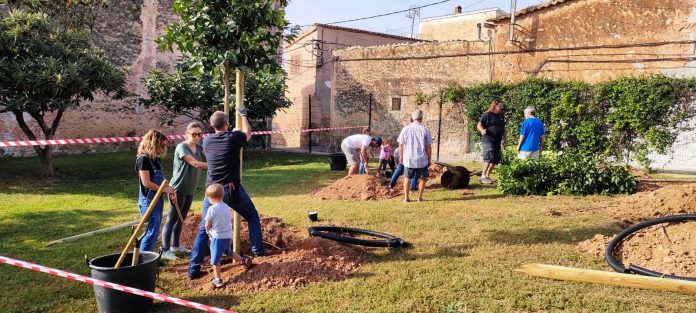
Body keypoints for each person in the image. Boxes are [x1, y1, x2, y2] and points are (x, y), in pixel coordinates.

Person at [188, 109, 266, 279]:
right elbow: (247, 133)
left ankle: (193, 269)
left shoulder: (207, 140)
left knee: (204, 228)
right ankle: (259, 252)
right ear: (227, 124)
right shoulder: (233, 139)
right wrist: (244, 114)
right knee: (252, 216)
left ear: (211, 125)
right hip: (230, 189)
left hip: (211, 191)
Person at [161, 122, 208, 261]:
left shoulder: (199, 147)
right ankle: (165, 250)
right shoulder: (182, 147)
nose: (197, 137)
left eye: (199, 134)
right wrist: (216, 166)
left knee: (182, 218)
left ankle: (175, 245)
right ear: (187, 134)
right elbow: (195, 163)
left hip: (190, 189)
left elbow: (210, 153)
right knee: (172, 219)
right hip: (178, 188)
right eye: (193, 134)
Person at [204, 183, 252, 288]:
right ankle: (243, 260)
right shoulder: (226, 206)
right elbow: (228, 219)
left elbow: (207, 223)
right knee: (229, 252)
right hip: (227, 235)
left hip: (217, 237)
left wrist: (207, 229)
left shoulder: (211, 209)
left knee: (215, 260)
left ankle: (218, 280)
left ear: (211, 198)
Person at [135, 130, 176, 252]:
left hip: (157, 199)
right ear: (154, 144)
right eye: (162, 145)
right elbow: (146, 183)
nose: (164, 148)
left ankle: (150, 258)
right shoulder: (143, 160)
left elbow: (161, 180)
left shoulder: (155, 159)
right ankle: (144, 259)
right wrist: (165, 189)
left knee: (154, 230)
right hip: (148, 201)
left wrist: (170, 191)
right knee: (151, 231)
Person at [398, 109, 433, 202]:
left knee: (407, 177)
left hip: (409, 158)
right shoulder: (425, 129)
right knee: (422, 178)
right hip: (422, 158)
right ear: (421, 118)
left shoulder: (405, 129)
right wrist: (429, 158)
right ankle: (420, 198)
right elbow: (429, 146)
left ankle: (406, 198)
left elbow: (400, 144)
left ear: (413, 118)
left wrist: (401, 156)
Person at [476, 100, 506, 184]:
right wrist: (482, 130)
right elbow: (479, 124)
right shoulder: (487, 115)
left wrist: (505, 138)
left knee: (495, 159)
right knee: (489, 157)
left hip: (497, 140)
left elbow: (503, 128)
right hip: (488, 139)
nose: (501, 108)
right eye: (500, 106)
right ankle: (482, 176)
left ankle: (487, 176)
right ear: (494, 106)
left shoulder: (501, 116)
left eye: (502, 106)